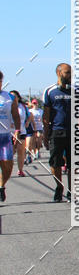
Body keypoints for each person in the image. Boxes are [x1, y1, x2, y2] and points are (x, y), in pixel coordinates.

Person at [43, 64, 72, 201]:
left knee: (74, 164)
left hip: (73, 132)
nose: (70, 75)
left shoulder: (76, 90)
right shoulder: (50, 91)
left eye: (71, 72)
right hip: (56, 131)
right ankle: (59, 187)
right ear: (59, 73)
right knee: (55, 163)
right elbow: (46, 115)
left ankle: (71, 190)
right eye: (67, 72)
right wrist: (45, 135)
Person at [0, 71, 21, 202]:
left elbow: (16, 116)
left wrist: (17, 130)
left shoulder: (9, 97)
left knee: (8, 166)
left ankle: (1, 186)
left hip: (5, 136)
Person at [10, 91, 30, 177]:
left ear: (18, 97)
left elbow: (29, 115)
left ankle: (20, 170)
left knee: (20, 151)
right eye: (11, 96)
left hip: (21, 131)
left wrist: (28, 122)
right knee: (11, 152)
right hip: (10, 133)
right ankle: (7, 169)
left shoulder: (23, 106)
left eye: (14, 96)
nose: (13, 98)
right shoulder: (7, 105)